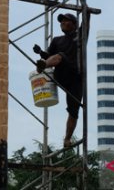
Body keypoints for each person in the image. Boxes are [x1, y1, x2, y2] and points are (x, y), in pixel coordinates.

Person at [34, 12, 84, 149]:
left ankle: (67, 139)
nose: (62, 22)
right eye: (61, 21)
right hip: (61, 74)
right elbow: (49, 55)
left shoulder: (80, 36)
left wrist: (82, 1)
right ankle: (43, 66)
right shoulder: (57, 40)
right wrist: (41, 53)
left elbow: (86, 18)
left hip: (76, 77)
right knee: (59, 56)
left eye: (66, 20)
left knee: (74, 111)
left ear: (74, 24)